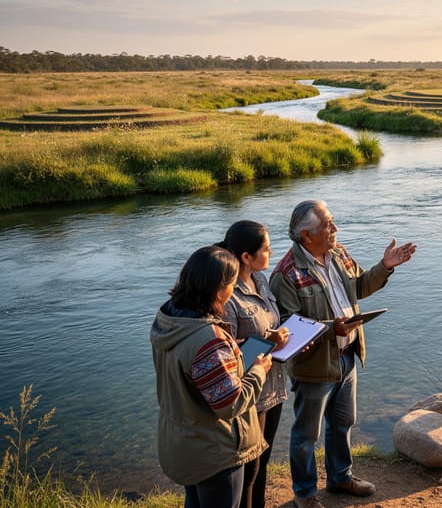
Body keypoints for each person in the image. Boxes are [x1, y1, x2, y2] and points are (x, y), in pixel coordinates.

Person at [270, 200, 416, 508]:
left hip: (347, 355)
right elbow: (286, 326)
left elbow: (360, 287)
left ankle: (339, 477)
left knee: (343, 422)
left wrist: (385, 266)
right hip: (314, 367)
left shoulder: (339, 253)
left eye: (332, 221)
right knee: (305, 436)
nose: (334, 229)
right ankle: (305, 494)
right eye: (327, 225)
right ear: (305, 236)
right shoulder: (286, 274)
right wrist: (329, 328)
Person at [150, 245, 272, 508]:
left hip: (185, 443)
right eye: (232, 283)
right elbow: (230, 403)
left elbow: (193, 370)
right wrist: (258, 371)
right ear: (218, 289)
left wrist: (230, 353)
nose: (233, 290)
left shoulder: (169, 320)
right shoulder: (207, 338)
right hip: (215, 451)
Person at [217, 221, 291, 508]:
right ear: (246, 257)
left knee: (262, 463)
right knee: (248, 470)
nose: (272, 253)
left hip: (272, 385)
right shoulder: (226, 295)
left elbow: (272, 323)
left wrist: (287, 338)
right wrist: (270, 343)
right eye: (266, 249)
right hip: (249, 395)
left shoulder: (260, 280)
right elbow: (228, 357)